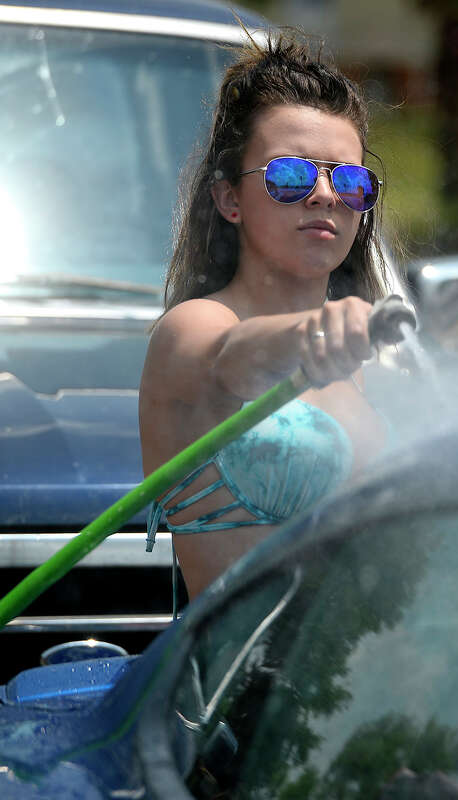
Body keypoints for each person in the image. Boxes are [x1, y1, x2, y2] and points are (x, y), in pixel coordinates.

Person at [139, 30, 395, 598]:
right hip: (243, 681)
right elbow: (231, 361)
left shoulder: (372, 362)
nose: (326, 194)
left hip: (367, 676)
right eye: (290, 176)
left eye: (350, 180)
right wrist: (314, 334)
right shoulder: (195, 328)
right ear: (230, 199)